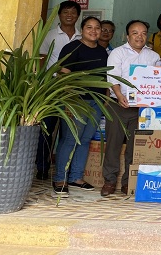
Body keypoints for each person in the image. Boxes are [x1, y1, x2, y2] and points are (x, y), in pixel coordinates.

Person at [101, 20, 161, 197]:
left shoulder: (153, 57)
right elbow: (112, 76)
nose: (139, 36)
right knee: (113, 144)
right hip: (118, 104)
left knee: (135, 147)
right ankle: (109, 181)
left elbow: (158, 81)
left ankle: (129, 181)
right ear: (128, 36)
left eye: (143, 33)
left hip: (142, 109)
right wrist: (119, 95)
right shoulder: (117, 53)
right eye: (135, 33)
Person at [52, 16, 109, 196]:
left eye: (97, 28)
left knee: (84, 140)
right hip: (77, 101)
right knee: (70, 139)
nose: (94, 31)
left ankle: (75, 177)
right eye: (89, 27)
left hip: (96, 101)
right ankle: (60, 178)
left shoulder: (102, 52)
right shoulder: (72, 47)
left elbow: (105, 78)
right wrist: (69, 100)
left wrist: (106, 98)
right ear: (82, 29)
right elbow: (63, 76)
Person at [36, 0, 82, 180]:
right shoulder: (50, 35)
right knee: (46, 128)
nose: (69, 15)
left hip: (73, 90)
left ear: (78, 16)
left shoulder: (82, 37)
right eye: (65, 12)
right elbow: (41, 60)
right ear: (59, 15)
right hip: (51, 87)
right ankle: (42, 166)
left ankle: (63, 170)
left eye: (73, 12)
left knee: (68, 131)